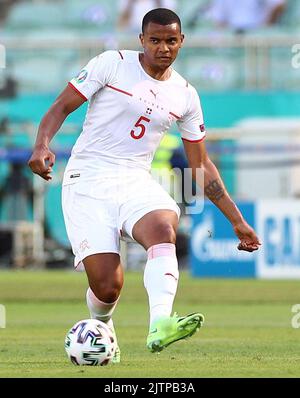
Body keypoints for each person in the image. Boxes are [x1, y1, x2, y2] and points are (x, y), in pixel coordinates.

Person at [28, 8, 261, 363]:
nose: (163, 48)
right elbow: (61, 107)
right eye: (155, 40)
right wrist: (42, 144)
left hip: (135, 179)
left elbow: (201, 165)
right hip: (87, 179)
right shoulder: (111, 63)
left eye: (170, 40)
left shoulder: (185, 94)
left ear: (181, 41)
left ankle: (160, 323)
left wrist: (236, 219)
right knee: (107, 286)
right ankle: (101, 327)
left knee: (163, 226)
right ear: (142, 40)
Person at [189, 0, 286, 33]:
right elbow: (219, 20)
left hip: (259, 37)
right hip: (234, 37)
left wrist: (265, 29)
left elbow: (278, 6)